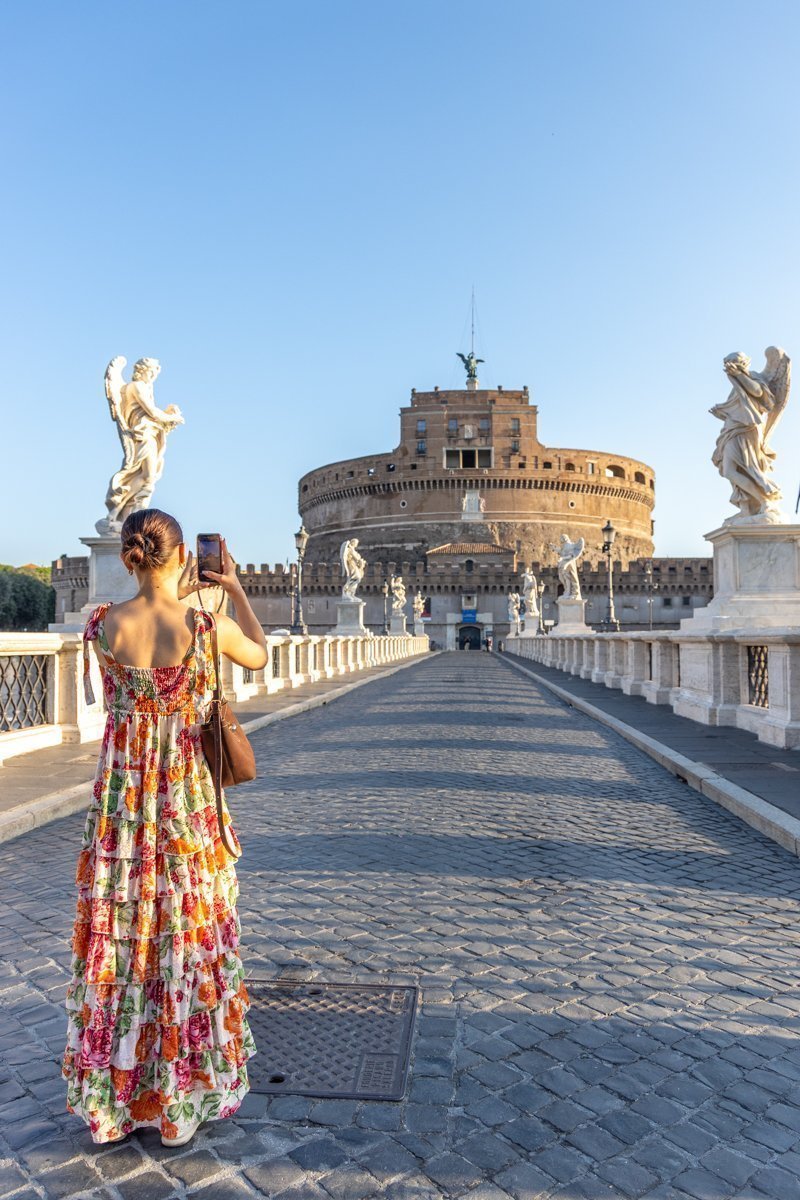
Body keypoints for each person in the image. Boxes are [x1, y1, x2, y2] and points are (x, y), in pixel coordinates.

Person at [62, 508, 268, 1148]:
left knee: (123, 943)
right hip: (184, 812)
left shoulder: (100, 626)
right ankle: (178, 1103)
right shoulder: (208, 626)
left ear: (130, 557)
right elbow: (259, 657)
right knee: (184, 937)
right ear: (182, 557)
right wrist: (231, 586)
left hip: (122, 815)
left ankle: (115, 1102)